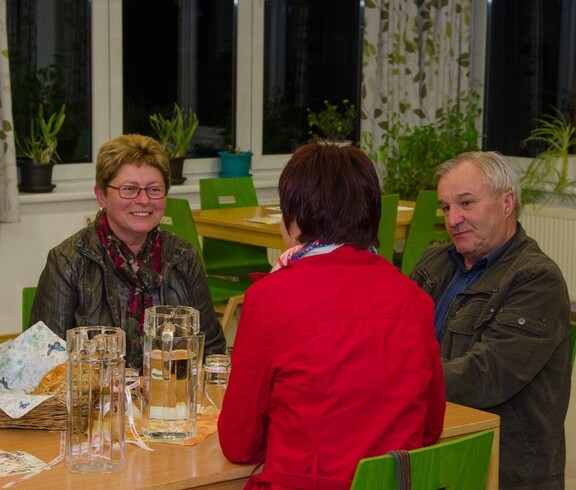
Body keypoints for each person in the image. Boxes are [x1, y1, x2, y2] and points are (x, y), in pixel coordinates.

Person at [218, 142, 446, 489]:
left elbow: (239, 443)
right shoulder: (415, 299)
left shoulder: (270, 297)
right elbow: (429, 429)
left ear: (293, 218)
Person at [410, 151, 571, 489]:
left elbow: (486, 376)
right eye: (445, 207)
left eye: (466, 203)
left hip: (505, 468)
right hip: (433, 449)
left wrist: (399, 379)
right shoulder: (435, 263)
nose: (453, 219)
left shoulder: (536, 279)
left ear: (507, 202)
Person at [30, 134, 226, 369]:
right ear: (102, 195)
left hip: (173, 399)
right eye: (130, 189)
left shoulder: (184, 258)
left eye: (154, 189)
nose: (144, 200)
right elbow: (44, 363)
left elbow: (212, 349)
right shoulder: (68, 261)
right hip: (95, 401)